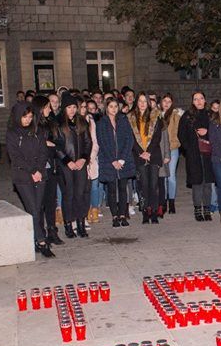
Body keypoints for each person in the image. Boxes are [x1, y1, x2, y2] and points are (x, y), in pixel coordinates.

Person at [6, 101, 53, 258]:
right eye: (24, 117)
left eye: (30, 117)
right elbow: (15, 157)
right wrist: (32, 171)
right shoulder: (12, 133)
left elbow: (43, 152)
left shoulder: (37, 131)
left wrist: (39, 170)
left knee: (37, 209)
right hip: (23, 176)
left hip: (40, 174)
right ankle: (41, 240)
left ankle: (34, 237)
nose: (27, 120)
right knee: (33, 208)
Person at [97, 97, 136, 227]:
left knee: (123, 188)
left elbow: (129, 139)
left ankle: (123, 215)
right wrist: (113, 160)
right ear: (106, 108)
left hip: (123, 160)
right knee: (112, 189)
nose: (113, 109)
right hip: (109, 161)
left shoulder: (123, 120)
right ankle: (114, 216)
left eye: (115, 106)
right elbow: (102, 142)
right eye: (111, 106)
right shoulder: (102, 122)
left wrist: (122, 158)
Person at [57, 93, 92, 238]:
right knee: (68, 195)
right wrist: (68, 161)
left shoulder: (82, 122)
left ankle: (81, 223)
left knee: (80, 194)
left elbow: (88, 143)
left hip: (80, 164)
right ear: (63, 108)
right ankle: (68, 225)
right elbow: (56, 147)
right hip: (66, 165)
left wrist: (83, 159)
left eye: (73, 107)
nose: (71, 110)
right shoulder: (58, 124)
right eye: (69, 107)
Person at [178, 91, 215, 221]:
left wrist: (208, 131)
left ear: (205, 100)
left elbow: (218, 133)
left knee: (208, 183)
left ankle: (207, 209)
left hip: (208, 154)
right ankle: (198, 209)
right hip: (194, 154)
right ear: (192, 101)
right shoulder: (187, 116)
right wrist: (189, 149)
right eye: (196, 99)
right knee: (197, 183)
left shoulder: (211, 116)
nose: (199, 101)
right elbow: (181, 135)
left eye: (201, 98)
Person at [129, 93, 164, 224]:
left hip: (153, 155)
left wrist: (148, 152)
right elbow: (131, 138)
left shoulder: (156, 116)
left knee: (154, 185)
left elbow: (157, 138)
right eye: (140, 101)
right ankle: (145, 211)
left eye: (145, 101)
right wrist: (140, 152)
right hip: (139, 155)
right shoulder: (131, 118)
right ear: (136, 102)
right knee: (143, 185)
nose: (143, 103)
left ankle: (154, 211)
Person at [34, 95, 63, 245]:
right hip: (38, 168)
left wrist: (49, 143)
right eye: (46, 107)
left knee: (51, 201)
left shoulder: (51, 122)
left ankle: (52, 229)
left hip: (51, 165)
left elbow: (58, 141)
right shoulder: (32, 124)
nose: (49, 109)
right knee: (39, 203)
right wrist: (45, 143)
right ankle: (40, 234)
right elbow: (33, 144)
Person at [160, 93, 183, 214]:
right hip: (160, 150)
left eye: (169, 101)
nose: (166, 103)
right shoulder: (157, 115)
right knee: (162, 176)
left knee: (171, 177)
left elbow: (181, 128)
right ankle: (163, 202)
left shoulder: (176, 115)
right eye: (165, 101)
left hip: (173, 148)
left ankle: (172, 202)